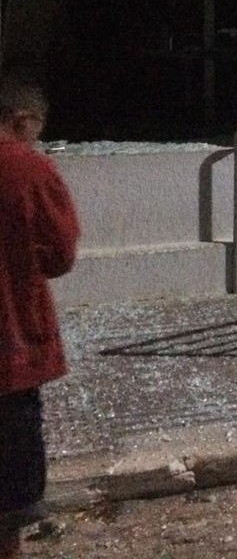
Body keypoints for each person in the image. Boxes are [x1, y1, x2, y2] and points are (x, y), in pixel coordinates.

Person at [0, 79, 79, 559]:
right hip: (12, 340)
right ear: (23, 120)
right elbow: (60, 253)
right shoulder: (29, 169)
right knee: (10, 482)